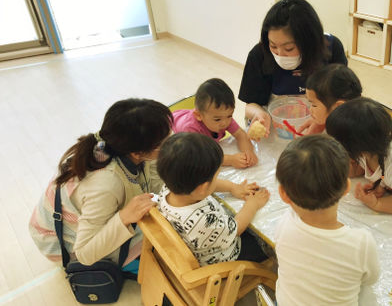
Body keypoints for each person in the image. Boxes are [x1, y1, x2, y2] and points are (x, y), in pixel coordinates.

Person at [29, 98, 172, 272]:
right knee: (165, 252)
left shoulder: (121, 144)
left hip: (91, 216)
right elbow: (85, 253)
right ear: (138, 152)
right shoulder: (106, 184)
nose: (171, 145)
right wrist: (124, 217)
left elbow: (154, 181)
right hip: (63, 244)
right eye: (164, 143)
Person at [275, 135, 380, 305]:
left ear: (283, 194)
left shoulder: (285, 222)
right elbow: (370, 279)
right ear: (347, 187)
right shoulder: (361, 242)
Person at [238, 0, 348, 137]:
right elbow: (251, 105)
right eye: (273, 46)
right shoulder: (260, 54)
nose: (279, 54)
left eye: (289, 48)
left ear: (309, 42)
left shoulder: (330, 49)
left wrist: (321, 122)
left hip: (321, 127)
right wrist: (259, 114)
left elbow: (343, 103)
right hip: (276, 128)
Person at [157, 132, 270, 266]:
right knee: (267, 242)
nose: (216, 180)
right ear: (202, 188)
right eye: (215, 176)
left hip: (208, 238)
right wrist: (253, 204)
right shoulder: (204, 222)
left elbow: (208, 186)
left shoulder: (171, 187)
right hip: (227, 256)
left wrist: (232, 187)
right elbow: (236, 229)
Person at [299, 63, 392, 137]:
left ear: (338, 107)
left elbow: (350, 169)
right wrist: (319, 123)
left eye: (314, 105)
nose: (310, 110)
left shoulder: (355, 132)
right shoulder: (350, 112)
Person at [172, 78, 258, 168]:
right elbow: (201, 157)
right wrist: (231, 160)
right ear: (199, 115)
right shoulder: (190, 130)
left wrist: (248, 152)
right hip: (173, 127)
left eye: (230, 116)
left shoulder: (222, 116)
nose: (225, 123)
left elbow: (240, 134)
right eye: (217, 119)